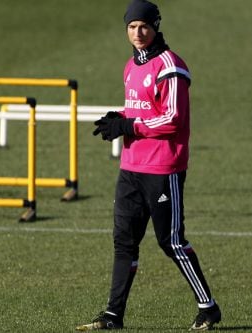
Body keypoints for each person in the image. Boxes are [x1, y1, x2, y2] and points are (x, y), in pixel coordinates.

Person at [76, 0, 222, 331]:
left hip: (162, 169)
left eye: (143, 26)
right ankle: (113, 315)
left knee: (171, 242)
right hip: (131, 169)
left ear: (155, 26)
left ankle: (208, 307)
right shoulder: (131, 66)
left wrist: (129, 126)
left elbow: (172, 118)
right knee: (124, 241)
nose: (137, 33)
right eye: (131, 27)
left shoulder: (171, 66)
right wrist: (120, 117)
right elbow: (141, 109)